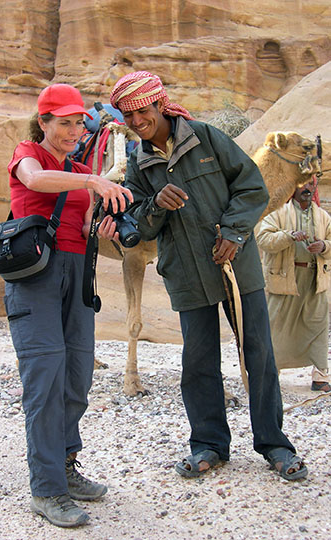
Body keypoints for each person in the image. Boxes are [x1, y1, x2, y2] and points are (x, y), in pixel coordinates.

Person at [110, 70, 308, 482]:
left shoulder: (205, 137)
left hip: (237, 265)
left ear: (159, 104)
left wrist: (235, 233)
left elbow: (251, 187)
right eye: (127, 116)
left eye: (141, 111)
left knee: (259, 354)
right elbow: (139, 226)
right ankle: (209, 445)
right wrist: (157, 205)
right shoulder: (139, 162)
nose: (136, 121)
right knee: (198, 361)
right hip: (185, 274)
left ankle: (274, 444)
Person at [5, 83, 132, 528]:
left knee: (77, 375)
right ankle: (46, 489)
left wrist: (103, 227)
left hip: (76, 273)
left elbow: (79, 224)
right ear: (44, 123)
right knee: (44, 378)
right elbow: (34, 181)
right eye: (64, 123)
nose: (74, 130)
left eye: (79, 122)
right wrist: (93, 179)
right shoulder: (29, 154)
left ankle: (66, 466)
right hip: (35, 278)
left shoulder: (79, 168)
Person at [256, 178, 331, 392]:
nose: (307, 188)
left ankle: (320, 376)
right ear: (294, 187)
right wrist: (288, 236)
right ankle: (271, 373)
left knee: (317, 325)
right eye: (303, 184)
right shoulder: (278, 214)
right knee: (276, 326)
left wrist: (324, 246)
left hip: (314, 279)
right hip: (285, 278)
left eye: (311, 185)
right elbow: (263, 239)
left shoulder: (323, 217)